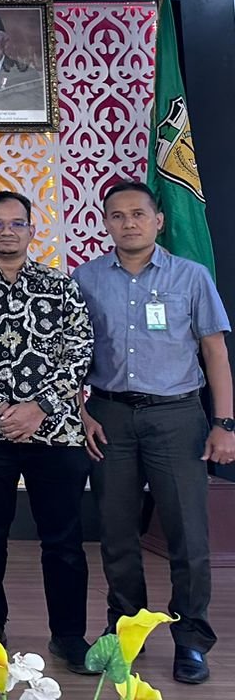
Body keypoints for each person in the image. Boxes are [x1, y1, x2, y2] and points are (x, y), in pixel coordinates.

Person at [76, 180, 235, 687]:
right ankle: (126, 632)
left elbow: (215, 355)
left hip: (177, 418)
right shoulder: (85, 278)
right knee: (117, 532)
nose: (129, 223)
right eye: (117, 215)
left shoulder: (191, 277)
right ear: (105, 223)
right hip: (110, 416)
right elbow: (72, 355)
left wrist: (224, 423)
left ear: (158, 219)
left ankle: (191, 639)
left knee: (188, 535)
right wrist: (81, 413)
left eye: (138, 214)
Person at [0, 190, 97, 674]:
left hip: (57, 433)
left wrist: (40, 409)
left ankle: (69, 635)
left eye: (17, 223)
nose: (7, 231)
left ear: (33, 230)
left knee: (65, 539)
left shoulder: (62, 287)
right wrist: (4, 412)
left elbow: (80, 351)